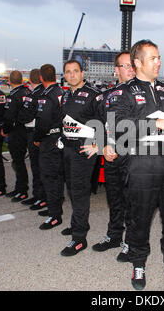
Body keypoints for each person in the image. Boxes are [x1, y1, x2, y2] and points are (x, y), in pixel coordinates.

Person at [107, 39, 164, 290]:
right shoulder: (123, 93)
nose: (158, 62)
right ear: (138, 63)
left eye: (159, 58)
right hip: (142, 161)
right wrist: (157, 124)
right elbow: (118, 127)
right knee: (139, 216)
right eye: (153, 58)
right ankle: (138, 261)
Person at [90, 51, 135, 262]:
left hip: (133, 155)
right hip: (111, 156)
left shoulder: (141, 93)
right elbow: (99, 123)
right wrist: (103, 146)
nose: (130, 69)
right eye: (125, 66)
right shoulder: (106, 95)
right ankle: (114, 236)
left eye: (132, 65)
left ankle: (131, 242)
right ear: (116, 70)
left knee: (131, 201)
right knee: (114, 198)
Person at [58, 60, 101, 256]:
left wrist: (98, 144)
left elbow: (106, 121)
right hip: (67, 149)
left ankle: (79, 238)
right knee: (72, 190)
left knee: (79, 192)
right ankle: (78, 222)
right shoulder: (66, 94)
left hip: (84, 151)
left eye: (76, 71)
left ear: (82, 73)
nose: (72, 75)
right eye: (68, 72)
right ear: (65, 75)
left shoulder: (93, 95)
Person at [33, 64, 65, 230]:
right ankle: (55, 207)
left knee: (49, 177)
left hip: (49, 140)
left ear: (41, 77)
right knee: (57, 176)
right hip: (58, 138)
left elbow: (43, 121)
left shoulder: (47, 95)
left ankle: (54, 215)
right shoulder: (61, 92)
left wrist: (37, 137)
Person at [16, 69, 47, 210]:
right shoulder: (40, 92)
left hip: (35, 132)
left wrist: (19, 117)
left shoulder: (36, 94)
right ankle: (38, 195)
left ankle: (41, 196)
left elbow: (25, 115)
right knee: (37, 166)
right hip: (37, 132)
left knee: (38, 167)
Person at [1, 71, 31, 202]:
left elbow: (8, 116)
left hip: (17, 132)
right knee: (22, 162)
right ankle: (21, 188)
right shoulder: (28, 92)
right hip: (28, 131)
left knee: (18, 162)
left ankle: (22, 190)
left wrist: (5, 130)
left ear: (10, 81)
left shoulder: (13, 95)